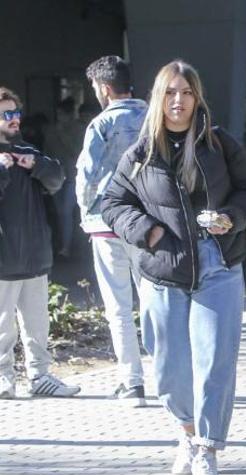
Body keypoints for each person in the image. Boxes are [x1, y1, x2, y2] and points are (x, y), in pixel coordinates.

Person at [101, 60, 246, 475]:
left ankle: (207, 450)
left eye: (187, 92)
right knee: (169, 364)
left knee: (214, 361)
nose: (179, 100)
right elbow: (112, 203)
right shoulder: (141, 152)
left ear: (197, 97)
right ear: (159, 98)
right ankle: (186, 433)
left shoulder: (219, 142)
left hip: (217, 264)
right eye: (171, 92)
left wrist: (232, 217)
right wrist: (146, 230)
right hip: (163, 268)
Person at [75, 55, 148, 406]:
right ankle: (167, 376)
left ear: (104, 88)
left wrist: (85, 211)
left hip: (106, 224)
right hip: (150, 225)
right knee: (153, 302)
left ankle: (132, 382)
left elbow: (86, 176)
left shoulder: (101, 124)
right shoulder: (155, 119)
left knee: (118, 306)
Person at [0, 87, 80, 400]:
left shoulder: (29, 151)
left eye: (15, 113)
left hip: (34, 254)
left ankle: (40, 375)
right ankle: (4, 377)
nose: (13, 119)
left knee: (37, 323)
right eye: (6, 114)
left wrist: (34, 166)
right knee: (3, 324)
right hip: (4, 257)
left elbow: (57, 177)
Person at [44, 97, 86, 258]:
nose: (59, 117)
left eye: (62, 114)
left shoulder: (79, 129)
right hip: (56, 175)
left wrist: (63, 135)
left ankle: (67, 247)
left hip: (73, 176)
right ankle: (65, 244)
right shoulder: (51, 130)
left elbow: (77, 151)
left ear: (70, 115)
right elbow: (46, 151)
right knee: (61, 213)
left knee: (66, 212)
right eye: (58, 114)